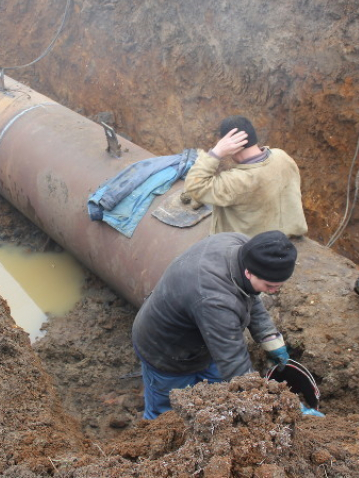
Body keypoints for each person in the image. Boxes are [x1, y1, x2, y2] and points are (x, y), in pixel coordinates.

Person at [131, 230, 296, 419]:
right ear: (248, 272)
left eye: (278, 285)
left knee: (219, 397)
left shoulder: (240, 246)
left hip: (205, 344)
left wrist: (270, 337)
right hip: (166, 351)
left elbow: (249, 293)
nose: (274, 291)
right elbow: (234, 364)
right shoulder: (215, 300)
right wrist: (276, 409)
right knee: (167, 416)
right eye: (269, 286)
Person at [183, 115, 308, 238]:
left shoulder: (237, 181)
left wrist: (216, 152)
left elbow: (194, 186)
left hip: (252, 245)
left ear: (231, 146)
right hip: (288, 232)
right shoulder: (282, 156)